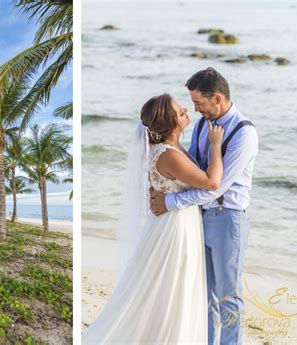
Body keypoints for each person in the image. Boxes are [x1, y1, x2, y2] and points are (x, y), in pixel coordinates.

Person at [82, 93, 225, 343]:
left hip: (176, 222)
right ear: (171, 125)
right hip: (176, 228)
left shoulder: (171, 148)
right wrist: (215, 145)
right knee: (175, 289)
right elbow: (212, 182)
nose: (186, 111)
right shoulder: (168, 155)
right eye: (181, 112)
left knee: (171, 288)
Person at [151, 67, 258, 345]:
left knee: (228, 296)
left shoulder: (244, 134)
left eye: (199, 103)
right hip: (198, 218)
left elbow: (215, 187)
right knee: (205, 294)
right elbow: (196, 173)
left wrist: (170, 201)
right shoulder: (201, 125)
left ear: (218, 99)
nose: (196, 109)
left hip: (228, 219)